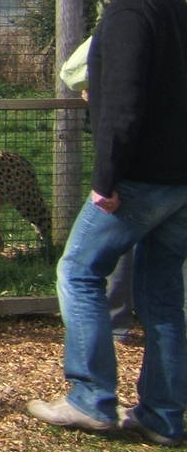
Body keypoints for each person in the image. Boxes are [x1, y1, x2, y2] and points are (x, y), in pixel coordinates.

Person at [27, 0, 187, 447]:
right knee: (162, 297)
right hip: (182, 183)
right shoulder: (177, 9)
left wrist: (106, 179)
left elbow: (121, 105)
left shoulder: (123, 15)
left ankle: (90, 398)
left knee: (78, 271)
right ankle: (163, 416)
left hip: (138, 178)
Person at [57, 36, 134, 340]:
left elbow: (72, 72)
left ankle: (114, 328)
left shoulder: (120, 20)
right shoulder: (177, 18)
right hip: (173, 162)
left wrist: (98, 86)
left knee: (79, 267)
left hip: (131, 156)